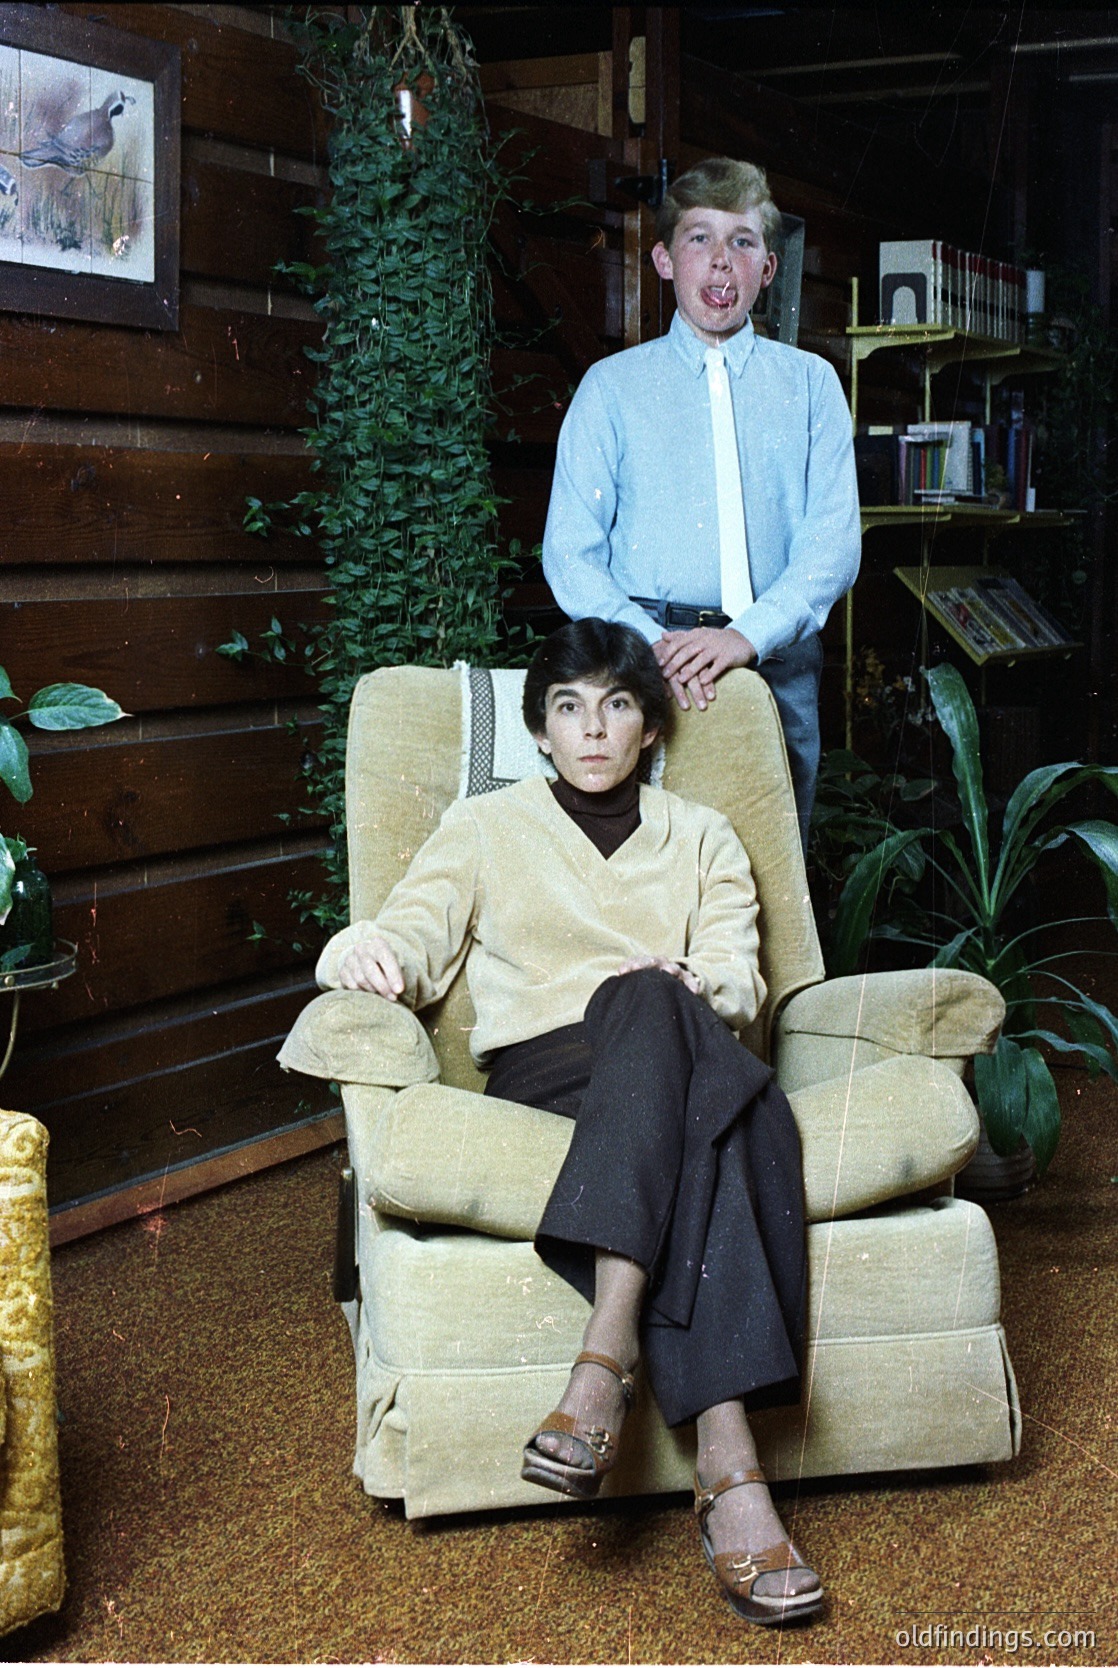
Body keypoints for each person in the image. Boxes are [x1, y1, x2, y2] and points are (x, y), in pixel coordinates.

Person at [319, 619, 822, 1628]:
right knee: (740, 1117)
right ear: (540, 732)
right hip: (552, 1073)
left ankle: (606, 1361)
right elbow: (405, 936)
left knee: (670, 1020)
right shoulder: (483, 825)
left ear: (650, 729)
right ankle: (731, 1477)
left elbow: (738, 973)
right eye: (568, 707)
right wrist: (355, 952)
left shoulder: (702, 834)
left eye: (617, 705)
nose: (593, 728)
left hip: (682, 1047)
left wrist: (688, 983)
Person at [542, 156, 861, 846]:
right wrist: (653, 649)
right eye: (699, 238)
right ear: (664, 260)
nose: (721, 261)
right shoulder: (611, 388)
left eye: (742, 241)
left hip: (774, 665)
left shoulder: (812, 386)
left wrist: (746, 637)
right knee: (644, 867)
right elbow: (570, 553)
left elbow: (833, 546)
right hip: (644, 666)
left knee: (770, 874)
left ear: (767, 269)